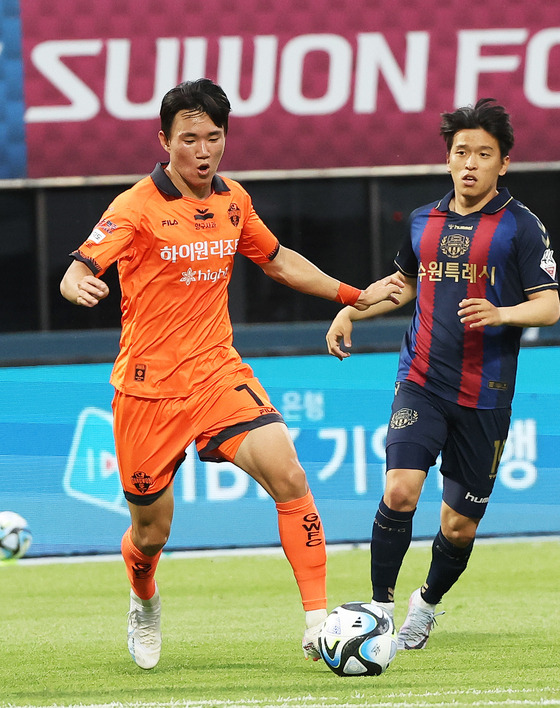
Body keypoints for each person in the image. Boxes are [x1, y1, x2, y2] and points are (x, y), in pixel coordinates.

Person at [60, 78, 405, 670]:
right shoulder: (135, 207)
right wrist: (77, 283)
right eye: (188, 138)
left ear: (225, 140)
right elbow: (81, 264)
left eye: (212, 137)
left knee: (289, 475)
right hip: (148, 389)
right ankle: (144, 600)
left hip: (219, 372)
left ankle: (319, 624)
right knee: (150, 534)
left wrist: (353, 294)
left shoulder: (233, 200)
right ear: (164, 140)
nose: (202, 150)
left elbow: (278, 261)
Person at [326, 98, 559, 650]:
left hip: (486, 397)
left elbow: (549, 305)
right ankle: (378, 610)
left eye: (484, 154)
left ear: (503, 163)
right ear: (448, 158)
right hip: (422, 381)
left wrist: (503, 313)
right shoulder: (421, 221)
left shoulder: (521, 228)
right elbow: (404, 284)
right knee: (401, 489)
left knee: (459, 527)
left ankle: (425, 603)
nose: (471, 163)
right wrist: (350, 308)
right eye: (461, 153)